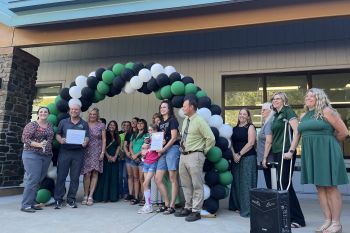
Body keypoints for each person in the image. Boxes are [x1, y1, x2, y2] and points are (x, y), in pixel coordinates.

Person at [298, 88, 348, 233]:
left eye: (311, 96)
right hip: (312, 153)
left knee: (331, 186)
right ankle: (327, 220)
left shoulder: (327, 111)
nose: (308, 98)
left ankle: (336, 223)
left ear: (319, 98)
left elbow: (344, 132)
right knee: (320, 186)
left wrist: (328, 143)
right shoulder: (305, 115)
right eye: (306, 96)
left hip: (327, 152)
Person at [175, 95, 215, 222]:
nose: (183, 108)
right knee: (185, 184)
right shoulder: (186, 120)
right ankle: (188, 207)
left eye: (185, 106)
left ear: (192, 107)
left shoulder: (200, 121)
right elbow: (184, 136)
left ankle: (196, 211)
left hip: (195, 156)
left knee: (196, 184)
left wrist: (202, 151)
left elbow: (211, 138)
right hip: (183, 155)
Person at [270, 92, 305, 228]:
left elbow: (297, 131)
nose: (275, 101)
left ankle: (298, 219)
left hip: (287, 152)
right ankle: (287, 217)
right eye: (274, 99)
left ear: (284, 101)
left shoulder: (288, 111)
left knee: (285, 185)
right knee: (281, 185)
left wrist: (291, 150)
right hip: (278, 152)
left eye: (278, 99)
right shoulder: (276, 115)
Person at [54, 104, 89, 209]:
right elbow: (58, 134)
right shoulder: (63, 122)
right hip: (65, 151)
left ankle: (71, 200)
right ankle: (58, 199)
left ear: (79, 111)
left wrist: (85, 142)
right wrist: (60, 140)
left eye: (76, 109)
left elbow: (87, 136)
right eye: (72, 109)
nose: (74, 111)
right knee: (61, 176)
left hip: (78, 153)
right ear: (69, 111)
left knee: (75, 178)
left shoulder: (84, 123)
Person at [20, 107, 54, 213]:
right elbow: (25, 139)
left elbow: (50, 139)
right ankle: (25, 205)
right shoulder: (32, 125)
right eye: (41, 112)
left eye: (45, 112)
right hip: (32, 154)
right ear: (38, 114)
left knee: (38, 180)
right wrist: (38, 144)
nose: (43, 113)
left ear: (48, 114)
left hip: (46, 156)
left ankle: (33, 202)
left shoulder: (50, 125)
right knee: (32, 179)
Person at [229, 108, 257, 218]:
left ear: (248, 117)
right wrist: (234, 155)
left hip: (248, 158)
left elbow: (251, 143)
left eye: (244, 114)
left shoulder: (250, 127)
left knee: (246, 183)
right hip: (236, 158)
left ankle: (247, 209)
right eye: (240, 114)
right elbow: (230, 143)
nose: (242, 116)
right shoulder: (234, 128)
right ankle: (237, 206)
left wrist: (239, 154)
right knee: (236, 182)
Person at [155, 100, 181, 215]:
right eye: (161, 107)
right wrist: (161, 144)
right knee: (158, 179)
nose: (162, 109)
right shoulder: (160, 123)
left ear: (169, 109)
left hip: (172, 150)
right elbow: (163, 138)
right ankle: (166, 204)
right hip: (163, 150)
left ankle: (172, 205)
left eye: (164, 107)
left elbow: (174, 137)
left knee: (172, 178)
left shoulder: (173, 121)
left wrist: (164, 148)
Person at [81, 107, 106, 205]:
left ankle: (91, 196)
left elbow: (104, 139)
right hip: (86, 151)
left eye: (94, 114)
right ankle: (85, 195)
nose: (92, 116)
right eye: (90, 114)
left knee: (95, 173)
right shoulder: (84, 124)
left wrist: (102, 152)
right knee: (87, 174)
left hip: (97, 151)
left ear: (97, 115)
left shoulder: (101, 125)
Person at [94, 120, 121, 202]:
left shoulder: (117, 135)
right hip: (106, 158)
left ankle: (112, 197)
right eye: (110, 125)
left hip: (114, 159)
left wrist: (115, 156)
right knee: (105, 177)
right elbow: (102, 146)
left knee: (113, 177)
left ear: (116, 127)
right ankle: (103, 197)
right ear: (108, 126)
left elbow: (118, 146)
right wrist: (108, 156)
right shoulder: (105, 134)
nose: (112, 126)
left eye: (114, 125)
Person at [138, 124, 160, 214]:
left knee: (145, 183)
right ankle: (147, 204)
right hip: (146, 162)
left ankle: (149, 205)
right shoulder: (148, 139)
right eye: (149, 130)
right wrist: (145, 147)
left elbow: (159, 152)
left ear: (156, 131)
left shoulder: (158, 139)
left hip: (152, 163)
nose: (150, 132)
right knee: (146, 184)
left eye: (152, 130)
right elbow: (143, 151)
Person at [129, 118, 149, 205]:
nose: (139, 125)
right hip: (133, 158)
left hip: (142, 159)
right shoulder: (134, 134)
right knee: (135, 178)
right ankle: (136, 197)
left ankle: (143, 198)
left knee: (142, 179)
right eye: (138, 123)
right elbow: (130, 146)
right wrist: (133, 155)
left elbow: (146, 146)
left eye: (141, 123)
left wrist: (136, 155)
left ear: (144, 125)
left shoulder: (146, 134)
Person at [259, 103, 275, 189]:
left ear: (270, 111)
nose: (262, 111)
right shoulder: (266, 122)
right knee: (270, 184)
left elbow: (269, 141)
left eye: (264, 110)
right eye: (261, 109)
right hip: (266, 159)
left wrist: (264, 158)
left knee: (271, 185)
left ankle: (275, 202)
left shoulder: (269, 123)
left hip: (268, 159)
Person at [124, 118, 138, 202]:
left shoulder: (139, 133)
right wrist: (127, 152)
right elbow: (125, 145)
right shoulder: (129, 133)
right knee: (129, 176)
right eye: (132, 121)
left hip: (136, 156)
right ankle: (130, 193)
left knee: (137, 177)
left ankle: (137, 195)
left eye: (135, 122)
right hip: (128, 156)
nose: (133, 123)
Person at [118, 120, 130, 199]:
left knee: (125, 176)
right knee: (119, 176)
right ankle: (119, 192)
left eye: (127, 125)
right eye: (124, 125)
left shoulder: (130, 135)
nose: (125, 126)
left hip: (127, 157)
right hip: (119, 156)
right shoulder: (119, 134)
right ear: (122, 126)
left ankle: (126, 192)